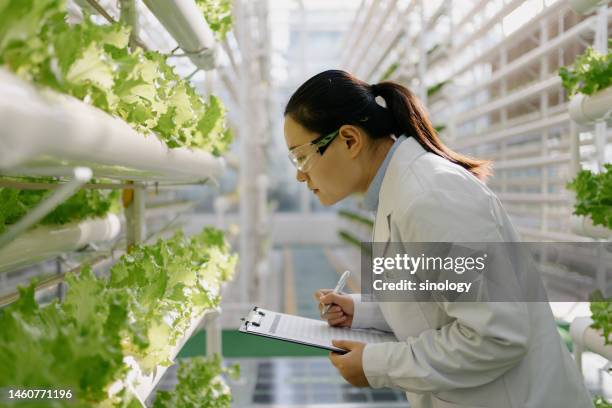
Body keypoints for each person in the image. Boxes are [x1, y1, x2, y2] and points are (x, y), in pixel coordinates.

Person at [283, 70, 593, 408]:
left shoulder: (432, 197)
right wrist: (360, 313)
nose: (300, 174)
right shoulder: (400, 195)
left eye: (302, 156)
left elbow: (495, 335)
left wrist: (374, 364)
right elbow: (435, 305)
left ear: (349, 139)